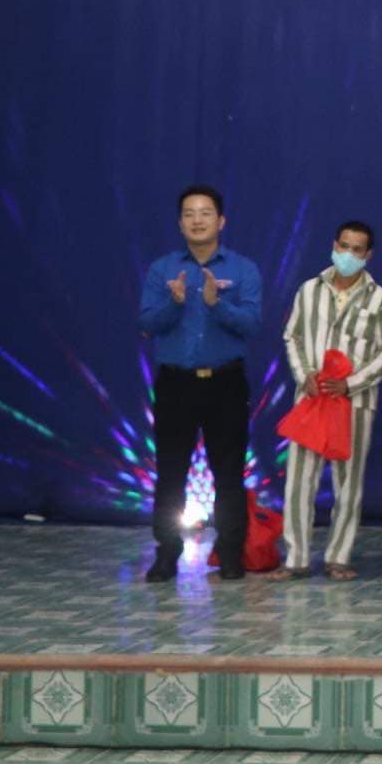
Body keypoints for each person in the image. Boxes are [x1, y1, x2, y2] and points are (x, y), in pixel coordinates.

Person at [137, 185, 263, 582]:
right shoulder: (162, 270)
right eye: (189, 214)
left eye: (205, 213)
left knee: (229, 472)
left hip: (225, 383)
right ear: (180, 223)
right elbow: (147, 323)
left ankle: (230, 553)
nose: (197, 220)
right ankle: (166, 553)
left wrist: (215, 304)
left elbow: (251, 324)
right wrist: (174, 304)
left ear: (221, 221)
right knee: (171, 471)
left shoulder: (242, 269)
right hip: (176, 384)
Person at [269, 220, 382, 582]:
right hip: (311, 400)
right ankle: (296, 557)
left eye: (356, 249)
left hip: (354, 403)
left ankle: (339, 556)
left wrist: (352, 383)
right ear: (334, 246)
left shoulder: (380, 299)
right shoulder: (309, 290)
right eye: (343, 246)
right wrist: (303, 374)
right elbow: (291, 337)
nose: (348, 254)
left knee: (348, 483)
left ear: (368, 255)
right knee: (298, 480)